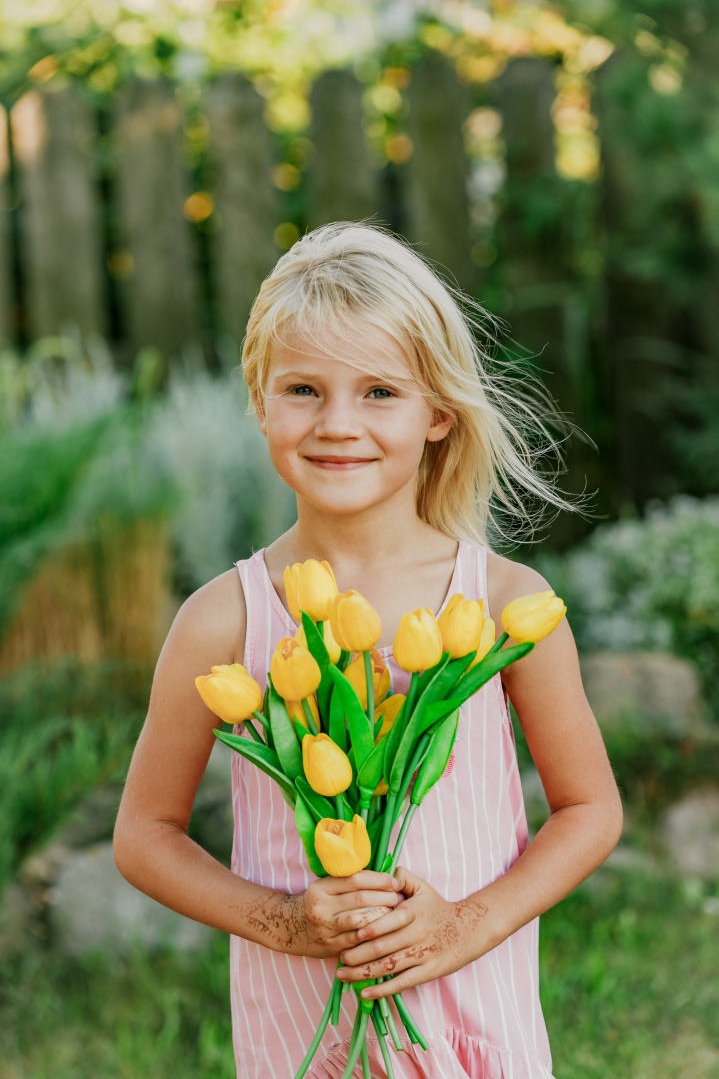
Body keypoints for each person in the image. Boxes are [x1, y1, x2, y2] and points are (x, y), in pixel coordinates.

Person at [114, 221, 623, 1079]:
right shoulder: (224, 619)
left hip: (470, 1013)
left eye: (380, 391)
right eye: (303, 389)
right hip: (303, 1022)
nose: (337, 424)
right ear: (258, 400)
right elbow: (144, 835)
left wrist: (464, 926)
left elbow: (589, 811)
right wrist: (286, 923)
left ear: (438, 414)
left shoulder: (504, 605)